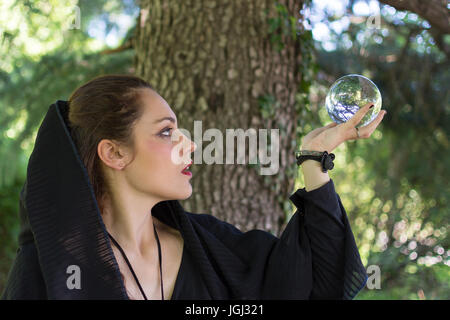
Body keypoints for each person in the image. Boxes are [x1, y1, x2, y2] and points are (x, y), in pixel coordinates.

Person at [1, 74, 386, 300]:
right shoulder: (49, 268)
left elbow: (322, 280)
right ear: (114, 153)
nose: (190, 144)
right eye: (166, 132)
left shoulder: (211, 246)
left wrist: (315, 159)